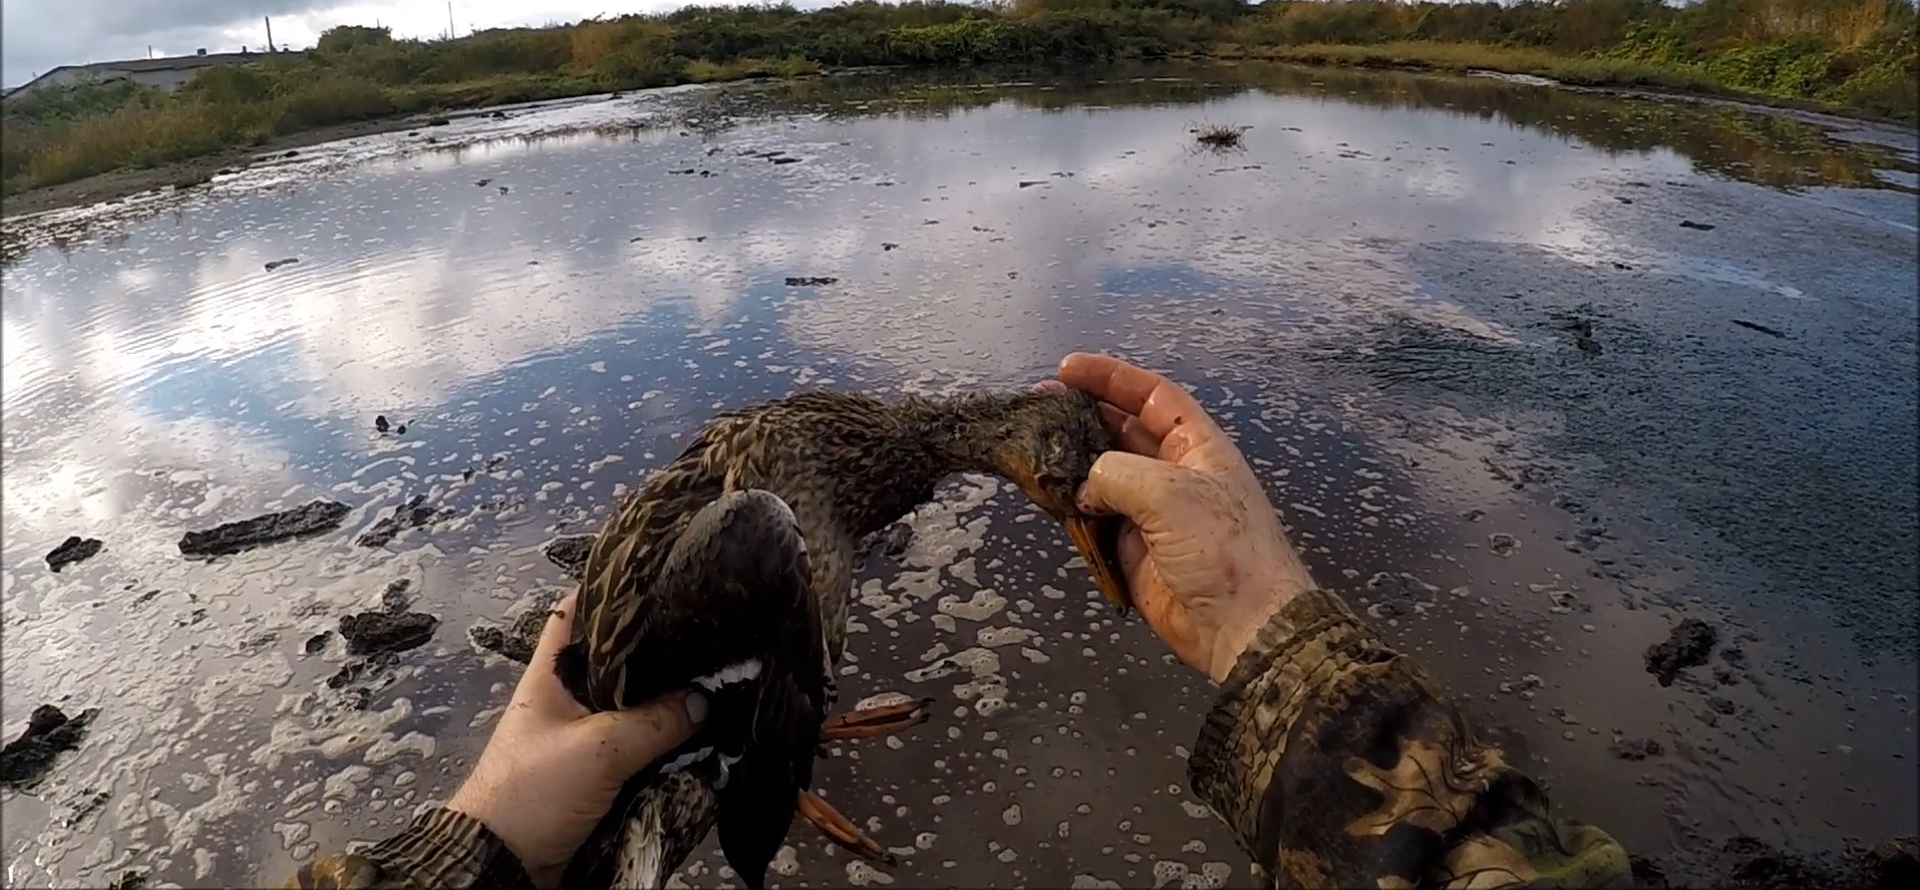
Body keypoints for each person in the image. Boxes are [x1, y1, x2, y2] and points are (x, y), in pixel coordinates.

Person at [289, 352, 1632, 889]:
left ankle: (770, 731)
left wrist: (477, 844)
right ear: (1023, 447)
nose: (1073, 526)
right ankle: (759, 746)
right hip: (612, 791)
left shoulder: (860, 446)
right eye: (1065, 500)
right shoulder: (793, 492)